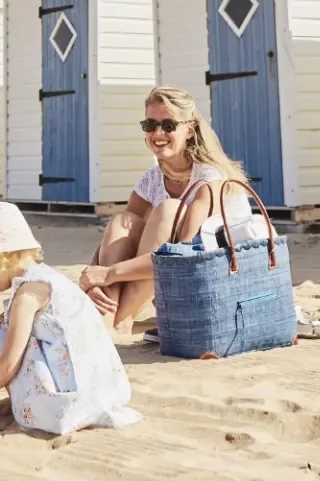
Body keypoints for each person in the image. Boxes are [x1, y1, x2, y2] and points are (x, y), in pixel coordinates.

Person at [78, 85, 271, 334]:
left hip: (219, 283)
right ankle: (110, 319)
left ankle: (114, 323)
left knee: (169, 210)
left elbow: (183, 256)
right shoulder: (151, 180)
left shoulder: (210, 178)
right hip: (170, 281)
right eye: (150, 125)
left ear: (189, 129)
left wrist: (108, 274)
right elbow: (116, 242)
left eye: (169, 125)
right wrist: (93, 275)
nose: (158, 133)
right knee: (122, 220)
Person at [0, 202, 141, 435]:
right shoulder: (51, 277)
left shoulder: (27, 296)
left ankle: (28, 403)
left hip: (69, 407)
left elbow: (8, 365)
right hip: (106, 392)